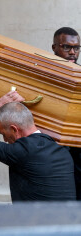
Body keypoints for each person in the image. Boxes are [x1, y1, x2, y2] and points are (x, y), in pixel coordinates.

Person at [0, 91, 76, 201]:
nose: (5, 140)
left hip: (38, 218)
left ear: (14, 129)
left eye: (3, 134)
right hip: (69, 216)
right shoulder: (63, 150)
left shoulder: (22, 151)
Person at [52, 27, 81, 199]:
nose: (72, 52)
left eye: (76, 48)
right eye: (66, 47)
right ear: (54, 47)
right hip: (52, 147)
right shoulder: (43, 73)